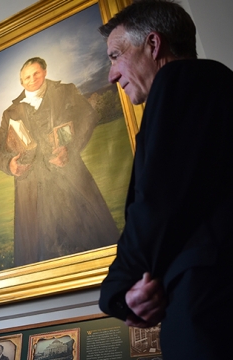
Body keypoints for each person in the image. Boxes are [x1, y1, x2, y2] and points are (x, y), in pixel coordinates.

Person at [97, 1, 233, 358]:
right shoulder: (219, 86)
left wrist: (115, 292)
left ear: (154, 46)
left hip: (210, 312)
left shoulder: (179, 80)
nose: (111, 75)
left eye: (115, 56)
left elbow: (157, 202)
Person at [0, 57, 119, 266]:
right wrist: (10, 164)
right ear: (21, 82)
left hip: (69, 178)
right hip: (32, 189)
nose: (32, 80)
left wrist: (71, 147)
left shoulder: (66, 91)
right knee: (42, 253)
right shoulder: (11, 113)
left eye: (36, 74)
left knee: (92, 242)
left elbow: (87, 117)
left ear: (45, 71)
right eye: (26, 77)